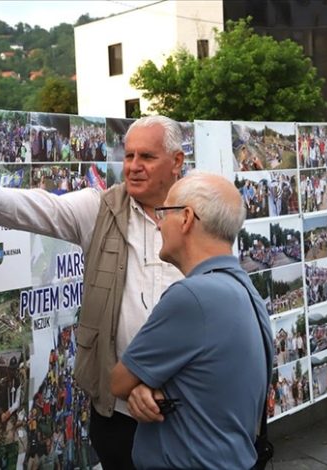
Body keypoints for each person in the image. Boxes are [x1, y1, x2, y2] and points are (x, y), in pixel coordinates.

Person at [0, 115, 185, 468]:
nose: (134, 167)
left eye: (147, 158)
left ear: (177, 162)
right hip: (118, 411)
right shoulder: (101, 208)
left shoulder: (198, 214)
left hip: (185, 408)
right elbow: (42, 207)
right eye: (129, 156)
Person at [108, 172, 272, 469]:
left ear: (185, 218)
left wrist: (141, 384)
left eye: (163, 213)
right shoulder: (243, 287)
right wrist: (148, 386)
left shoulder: (192, 297)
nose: (158, 224)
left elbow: (118, 382)